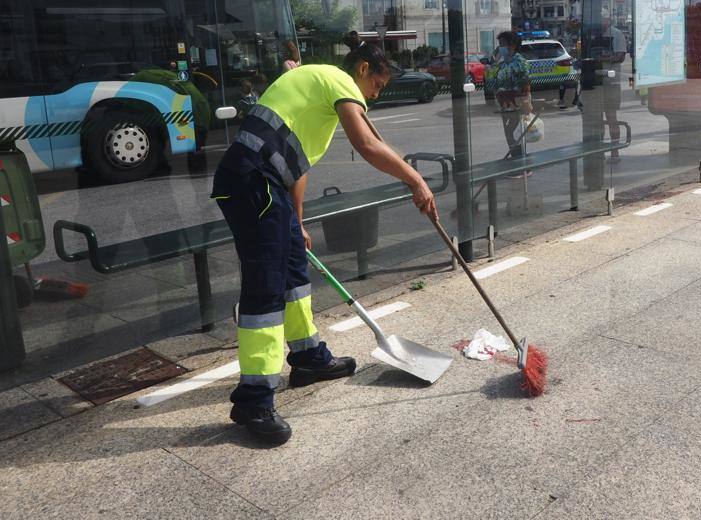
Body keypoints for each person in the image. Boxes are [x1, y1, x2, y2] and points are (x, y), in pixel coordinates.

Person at [211, 44, 437, 445]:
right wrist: (415, 180)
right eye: (377, 85)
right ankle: (253, 399)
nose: (374, 96)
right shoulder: (336, 81)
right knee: (265, 289)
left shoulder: (316, 90)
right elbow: (367, 145)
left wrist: (296, 221)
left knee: (295, 271)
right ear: (362, 69)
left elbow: (296, 167)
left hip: (268, 184)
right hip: (251, 181)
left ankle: (307, 357)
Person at [491, 30, 532, 178]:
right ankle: (518, 164)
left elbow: (524, 83)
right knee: (510, 135)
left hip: (517, 105)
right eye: (499, 44)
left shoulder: (519, 62)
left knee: (516, 135)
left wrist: (524, 102)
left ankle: (521, 167)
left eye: (502, 44)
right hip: (505, 105)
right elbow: (496, 80)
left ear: (512, 45)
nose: (500, 47)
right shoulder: (502, 62)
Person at [602, 18, 626, 164]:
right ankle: (599, 151)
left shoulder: (617, 34)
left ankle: (615, 151)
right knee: (597, 120)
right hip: (597, 83)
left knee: (611, 117)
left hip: (611, 82)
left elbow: (620, 56)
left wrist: (601, 57)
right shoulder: (593, 34)